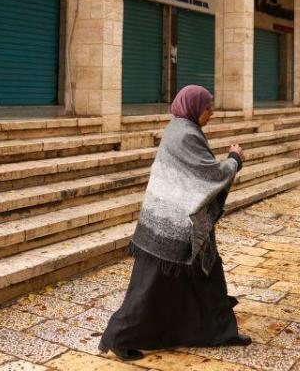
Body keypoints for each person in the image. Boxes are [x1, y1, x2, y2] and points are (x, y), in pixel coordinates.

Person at [99, 85, 252, 361]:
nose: (212, 113)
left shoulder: (180, 128)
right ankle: (118, 337)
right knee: (149, 287)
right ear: (194, 107)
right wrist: (233, 160)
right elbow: (209, 174)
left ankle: (220, 331)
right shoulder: (184, 134)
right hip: (169, 227)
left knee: (208, 276)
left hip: (179, 223)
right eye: (208, 107)